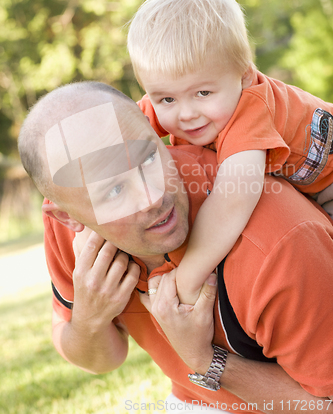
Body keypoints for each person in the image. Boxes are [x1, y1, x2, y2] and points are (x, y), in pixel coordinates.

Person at [18, 81, 333, 413]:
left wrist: (206, 360)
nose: (152, 196)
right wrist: (88, 320)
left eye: (149, 157)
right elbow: (101, 360)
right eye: (114, 190)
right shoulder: (70, 234)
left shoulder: (279, 242)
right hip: (194, 401)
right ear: (68, 216)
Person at [127, 0, 333, 305]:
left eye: (203, 93)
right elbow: (118, 131)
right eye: (166, 98)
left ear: (244, 77)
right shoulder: (179, 98)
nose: (186, 114)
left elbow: (232, 201)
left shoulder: (251, 106)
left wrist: (185, 282)